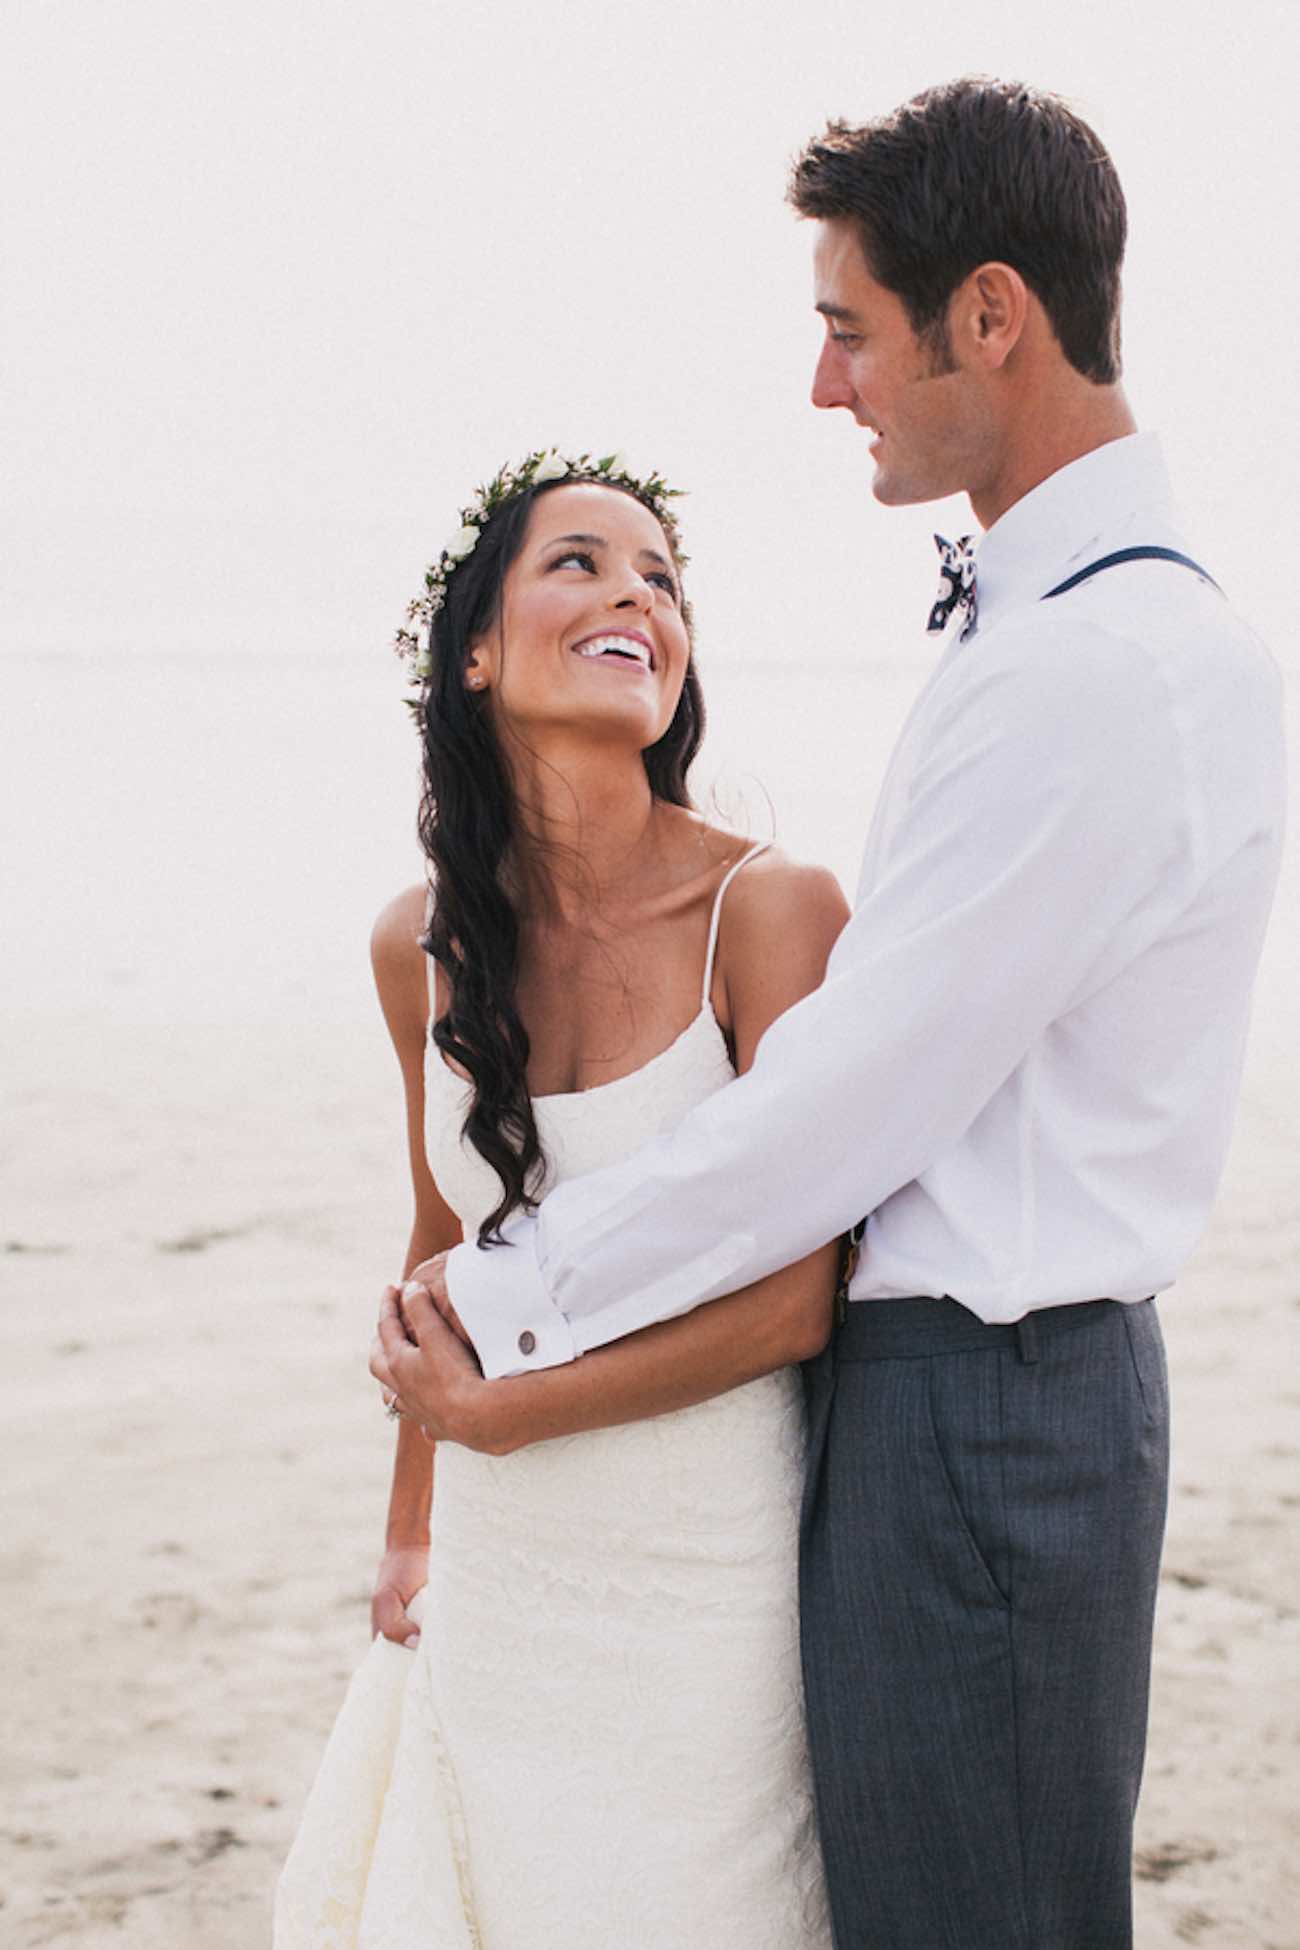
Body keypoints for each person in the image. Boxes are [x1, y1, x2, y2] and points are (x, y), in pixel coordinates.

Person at [380, 82, 1288, 1950]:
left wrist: (512, 1295)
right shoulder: (1068, 632)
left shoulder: (1096, 666)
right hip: (953, 1407)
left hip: (987, 1404)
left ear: (989, 316)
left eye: (849, 327)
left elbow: (838, 1117)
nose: (824, 386)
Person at [274, 448, 847, 1947]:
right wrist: (412, 1529)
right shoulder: (420, 944)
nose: (634, 596)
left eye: (661, 578)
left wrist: (517, 1412)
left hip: (712, 1576)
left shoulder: (774, 909)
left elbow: (799, 1295)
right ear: (478, 649)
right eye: (580, 563)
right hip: (501, 1568)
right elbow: (441, 1239)